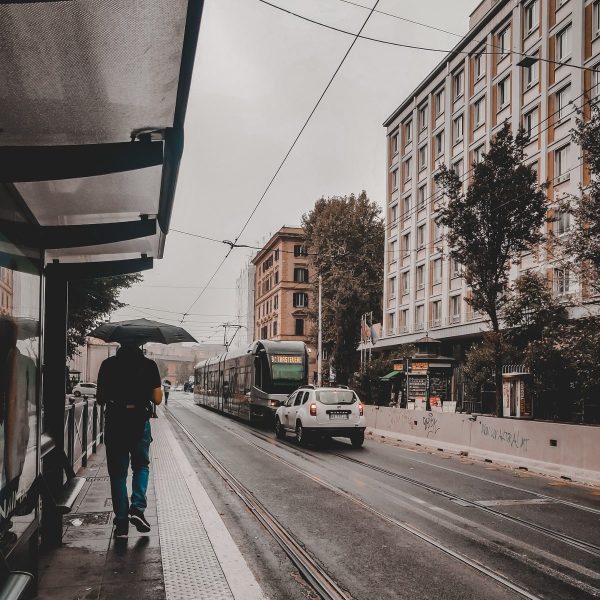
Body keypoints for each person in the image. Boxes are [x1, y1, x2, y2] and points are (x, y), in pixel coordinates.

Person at [97, 343, 162, 538]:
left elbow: (100, 398)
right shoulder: (149, 365)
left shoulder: (108, 365)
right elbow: (157, 399)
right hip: (140, 422)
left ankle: (122, 523)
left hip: (115, 423)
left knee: (118, 474)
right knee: (141, 466)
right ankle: (138, 508)